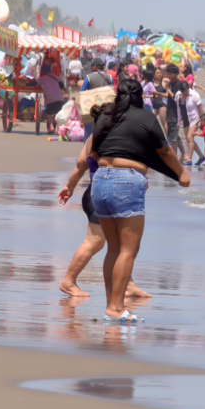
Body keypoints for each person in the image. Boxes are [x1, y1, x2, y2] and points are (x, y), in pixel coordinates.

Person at [90, 78, 190, 323]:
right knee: (128, 250)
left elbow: (93, 151)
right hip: (127, 181)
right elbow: (165, 150)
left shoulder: (105, 117)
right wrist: (182, 173)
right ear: (139, 97)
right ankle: (116, 309)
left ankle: (111, 307)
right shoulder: (146, 118)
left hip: (99, 180)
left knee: (113, 249)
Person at [56, 106, 150, 299]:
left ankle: (128, 284)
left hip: (96, 192)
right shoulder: (108, 139)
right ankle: (69, 281)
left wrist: (70, 187)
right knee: (95, 241)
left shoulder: (93, 139)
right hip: (101, 194)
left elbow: (80, 166)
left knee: (121, 242)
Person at [37, 65, 65, 134]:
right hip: (59, 98)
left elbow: (35, 83)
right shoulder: (56, 77)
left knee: (49, 113)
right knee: (58, 113)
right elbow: (62, 85)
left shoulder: (42, 78)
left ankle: (51, 126)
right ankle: (59, 129)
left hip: (50, 99)